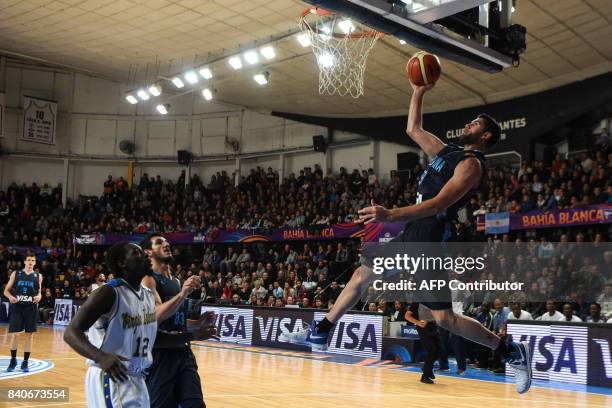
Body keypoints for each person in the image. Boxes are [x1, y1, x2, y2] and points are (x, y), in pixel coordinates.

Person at [280, 78, 532, 394]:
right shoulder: (449, 152)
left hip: (428, 242)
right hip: (411, 236)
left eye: (475, 123)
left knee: (445, 319)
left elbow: (438, 204)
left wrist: (389, 215)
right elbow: (413, 129)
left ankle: (510, 351)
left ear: (485, 135)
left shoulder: (472, 166)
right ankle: (321, 329)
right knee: (361, 274)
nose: (467, 123)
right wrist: (418, 92)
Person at [64, 243, 157, 407]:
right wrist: (101, 357)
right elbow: (71, 332)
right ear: (122, 263)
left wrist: (191, 335)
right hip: (112, 374)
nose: (146, 255)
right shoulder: (109, 292)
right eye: (137, 253)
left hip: (137, 378)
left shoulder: (148, 295)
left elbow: (149, 337)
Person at [141, 233, 209, 408]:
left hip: (183, 352)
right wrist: (183, 293)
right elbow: (155, 315)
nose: (166, 244)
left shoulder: (176, 281)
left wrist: (198, 323)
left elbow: (176, 321)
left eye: (166, 242)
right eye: (159, 243)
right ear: (148, 252)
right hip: (161, 354)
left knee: (196, 405)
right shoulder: (148, 279)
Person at [4, 254, 43, 372]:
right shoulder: (16, 274)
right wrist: (10, 297)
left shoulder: (38, 276)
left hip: (31, 308)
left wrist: (39, 297)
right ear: (25, 262)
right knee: (15, 334)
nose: (31, 262)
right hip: (17, 307)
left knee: (29, 335)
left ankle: (25, 362)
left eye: (33, 260)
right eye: (29, 260)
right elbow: (6, 291)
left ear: (35, 263)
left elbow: (39, 292)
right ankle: (13, 360)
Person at [405, 302, 439, 384]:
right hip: (423, 328)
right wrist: (418, 322)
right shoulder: (418, 302)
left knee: (439, 351)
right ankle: (425, 376)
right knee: (432, 351)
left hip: (434, 327)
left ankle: (427, 368)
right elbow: (407, 316)